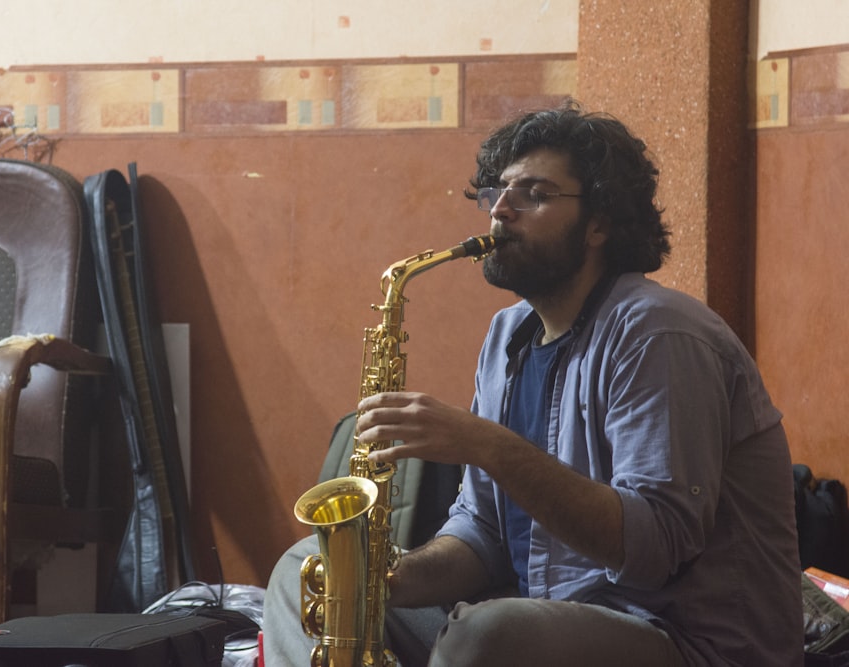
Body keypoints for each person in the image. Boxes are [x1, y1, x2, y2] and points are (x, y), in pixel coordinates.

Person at [263, 100, 803, 666]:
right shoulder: (507, 334)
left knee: (486, 634)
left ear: (599, 222)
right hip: (550, 621)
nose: (501, 211)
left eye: (536, 194)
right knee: (305, 573)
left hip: (687, 643)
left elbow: (654, 548)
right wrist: (386, 580)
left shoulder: (658, 333)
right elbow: (483, 536)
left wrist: (485, 444)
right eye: (497, 191)